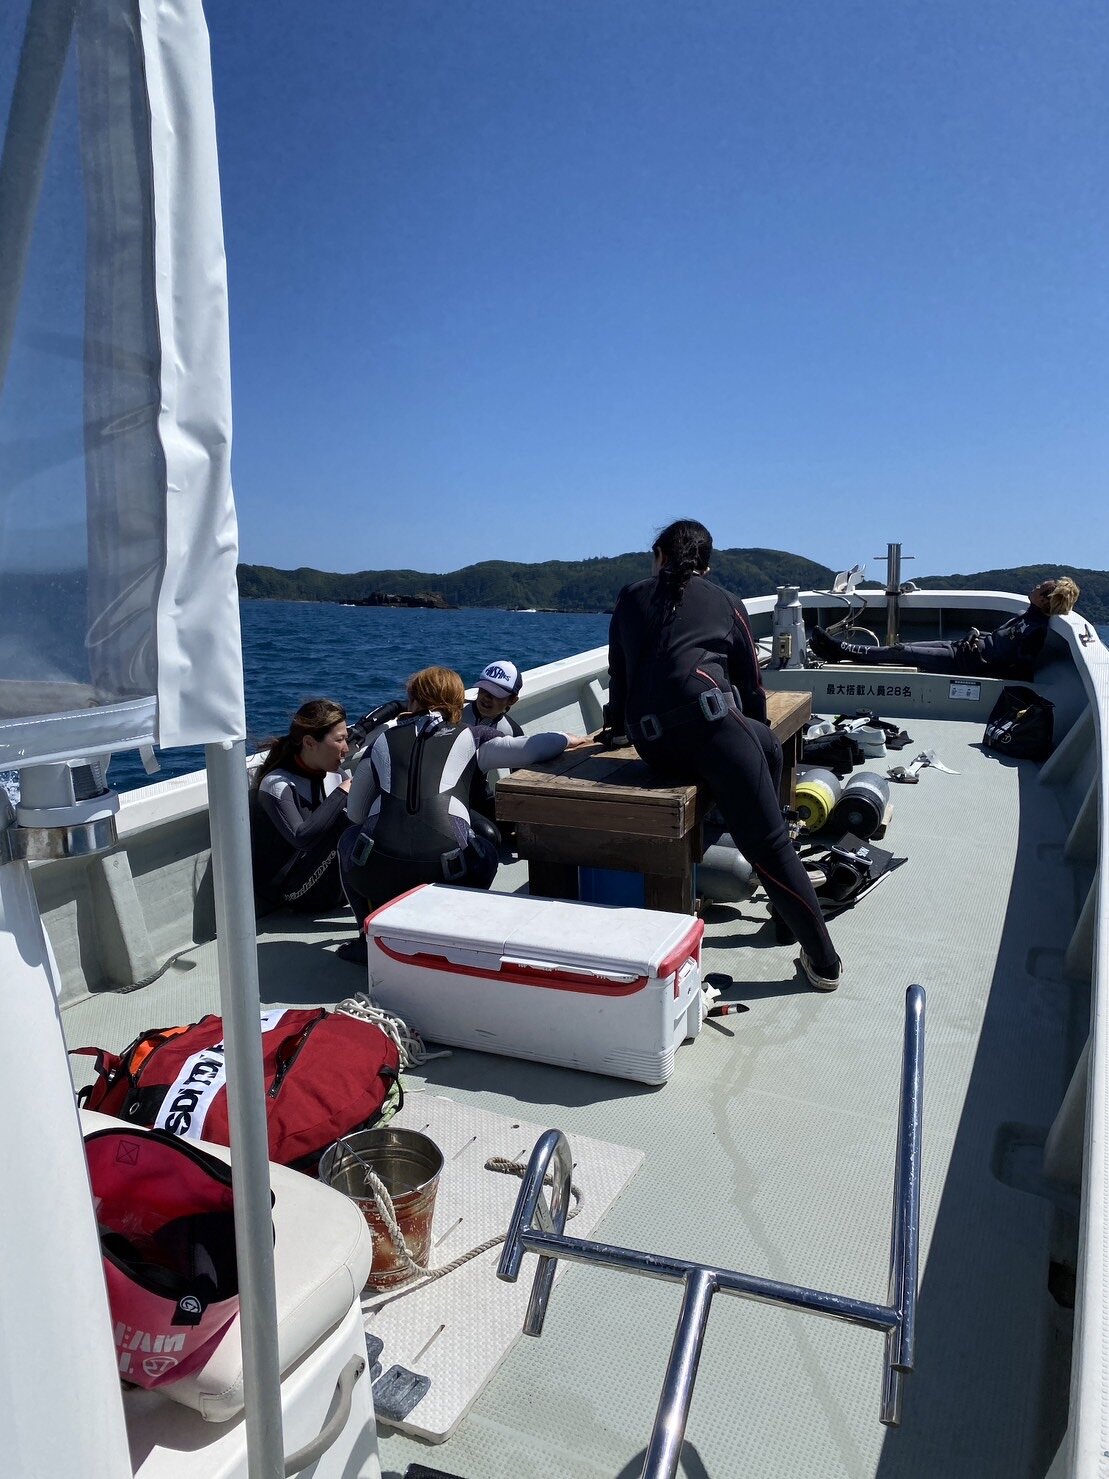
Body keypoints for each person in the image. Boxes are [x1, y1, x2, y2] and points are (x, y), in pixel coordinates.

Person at [606, 518, 842, 991]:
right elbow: (751, 688)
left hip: (653, 747)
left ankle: (765, 840)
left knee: (764, 746)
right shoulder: (727, 602)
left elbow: (620, 678)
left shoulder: (630, 597)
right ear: (707, 567)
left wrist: (614, 735)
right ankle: (823, 963)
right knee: (770, 829)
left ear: (659, 556)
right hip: (712, 734)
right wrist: (749, 736)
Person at [337, 666, 589, 962]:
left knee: (349, 839)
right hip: (450, 875)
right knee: (486, 844)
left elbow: (356, 813)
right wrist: (566, 738)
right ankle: (455, 932)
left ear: (413, 701)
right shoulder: (473, 737)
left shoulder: (382, 741)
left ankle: (366, 939)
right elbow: (532, 748)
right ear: (458, 703)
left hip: (378, 875)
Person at [809, 578, 1080, 679]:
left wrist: (980, 661)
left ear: (1045, 599)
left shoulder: (1035, 629)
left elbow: (1017, 668)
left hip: (966, 660)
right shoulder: (1023, 616)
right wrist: (979, 636)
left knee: (903, 653)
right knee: (902, 647)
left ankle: (840, 650)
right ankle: (839, 651)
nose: (1035, 587)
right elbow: (999, 641)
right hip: (962, 647)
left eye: (1040, 587)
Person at [251, 700, 352, 913]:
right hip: (291, 892)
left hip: (328, 886)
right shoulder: (277, 784)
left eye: (346, 739)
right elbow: (301, 838)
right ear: (309, 743)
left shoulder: (335, 775)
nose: (346, 749)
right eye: (339, 740)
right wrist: (342, 793)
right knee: (344, 824)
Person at [462, 660, 525, 825]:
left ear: (512, 700)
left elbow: (520, 781)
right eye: (484, 690)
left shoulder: (511, 731)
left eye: (496, 694)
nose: (486, 697)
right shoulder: (453, 712)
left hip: (477, 797)